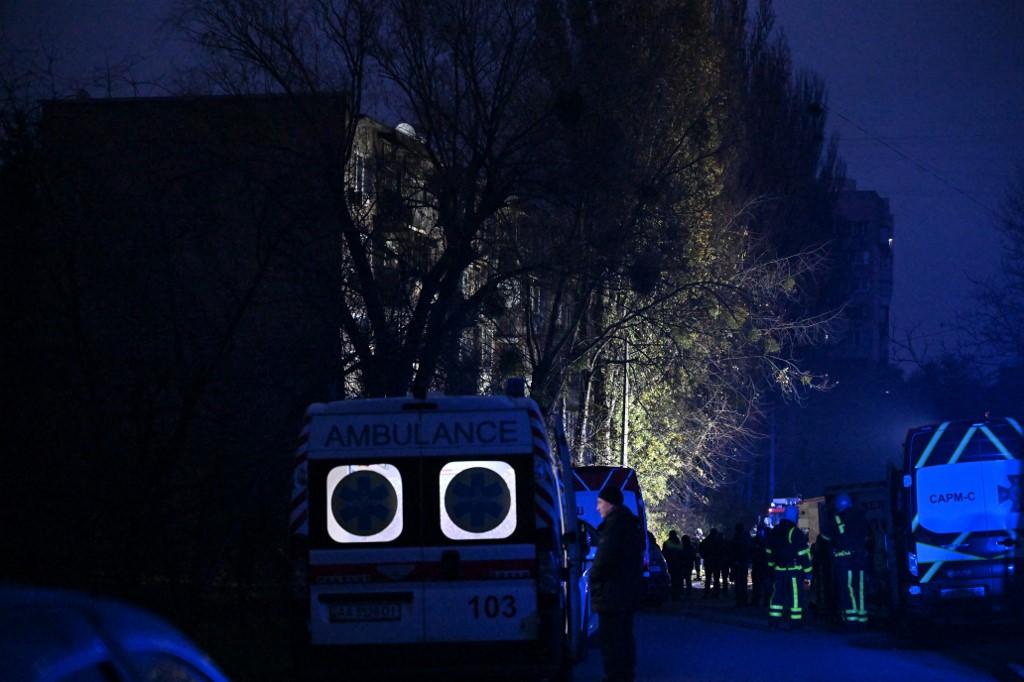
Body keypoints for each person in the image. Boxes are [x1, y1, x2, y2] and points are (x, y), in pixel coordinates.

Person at [590, 484, 644, 682]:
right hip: (624, 591)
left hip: (612, 593)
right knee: (623, 635)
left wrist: (592, 576)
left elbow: (605, 558)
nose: (597, 508)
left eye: (600, 503)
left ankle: (616, 675)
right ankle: (625, 673)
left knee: (612, 638)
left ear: (610, 504)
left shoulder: (614, 527)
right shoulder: (628, 524)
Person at [819, 492, 870, 626]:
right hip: (860, 558)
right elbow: (868, 535)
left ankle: (851, 620)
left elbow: (825, 537)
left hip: (844, 560)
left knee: (848, 588)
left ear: (837, 505)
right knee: (860, 588)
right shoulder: (861, 517)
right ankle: (862, 619)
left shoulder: (836, 519)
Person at [766, 506, 811, 625]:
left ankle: (774, 619)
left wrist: (771, 567)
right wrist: (808, 571)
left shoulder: (774, 531)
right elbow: (803, 554)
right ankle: (795, 620)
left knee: (777, 595)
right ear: (795, 518)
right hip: (793, 571)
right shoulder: (795, 532)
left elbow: (769, 551)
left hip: (778, 570)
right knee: (795, 596)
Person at [729, 523, 751, 607]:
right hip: (743, 562)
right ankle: (743, 600)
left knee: (738, 582)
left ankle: (739, 600)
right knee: (743, 582)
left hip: (737, 563)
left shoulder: (736, 538)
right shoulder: (746, 538)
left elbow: (732, 551)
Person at [662, 530, 686, 601]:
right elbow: (683, 554)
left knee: (672, 580)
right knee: (678, 580)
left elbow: (664, 553)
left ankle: (673, 595)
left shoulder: (667, 543)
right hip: (678, 565)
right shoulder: (679, 543)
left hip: (671, 564)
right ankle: (678, 594)